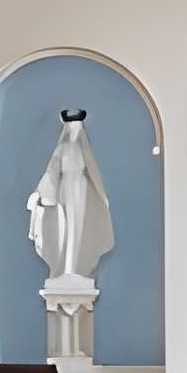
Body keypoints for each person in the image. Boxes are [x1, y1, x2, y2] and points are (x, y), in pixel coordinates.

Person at [25, 108, 114, 281]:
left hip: (81, 190)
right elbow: (51, 173)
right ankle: (65, 268)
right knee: (64, 228)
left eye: (77, 126)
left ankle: (76, 269)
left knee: (78, 227)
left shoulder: (83, 150)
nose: (74, 129)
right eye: (71, 126)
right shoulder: (61, 150)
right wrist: (39, 194)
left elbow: (94, 175)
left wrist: (102, 198)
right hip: (64, 189)